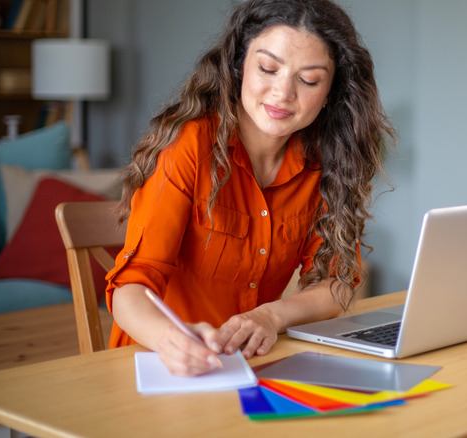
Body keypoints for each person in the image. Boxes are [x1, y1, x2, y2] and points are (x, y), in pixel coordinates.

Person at [105, 0, 395, 377]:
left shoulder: (325, 164)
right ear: (240, 65)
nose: (283, 93)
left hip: (251, 368)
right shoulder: (188, 144)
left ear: (330, 93)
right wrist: (167, 339)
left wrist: (270, 316)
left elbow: (337, 283)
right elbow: (130, 287)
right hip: (157, 367)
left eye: (308, 80)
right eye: (268, 68)